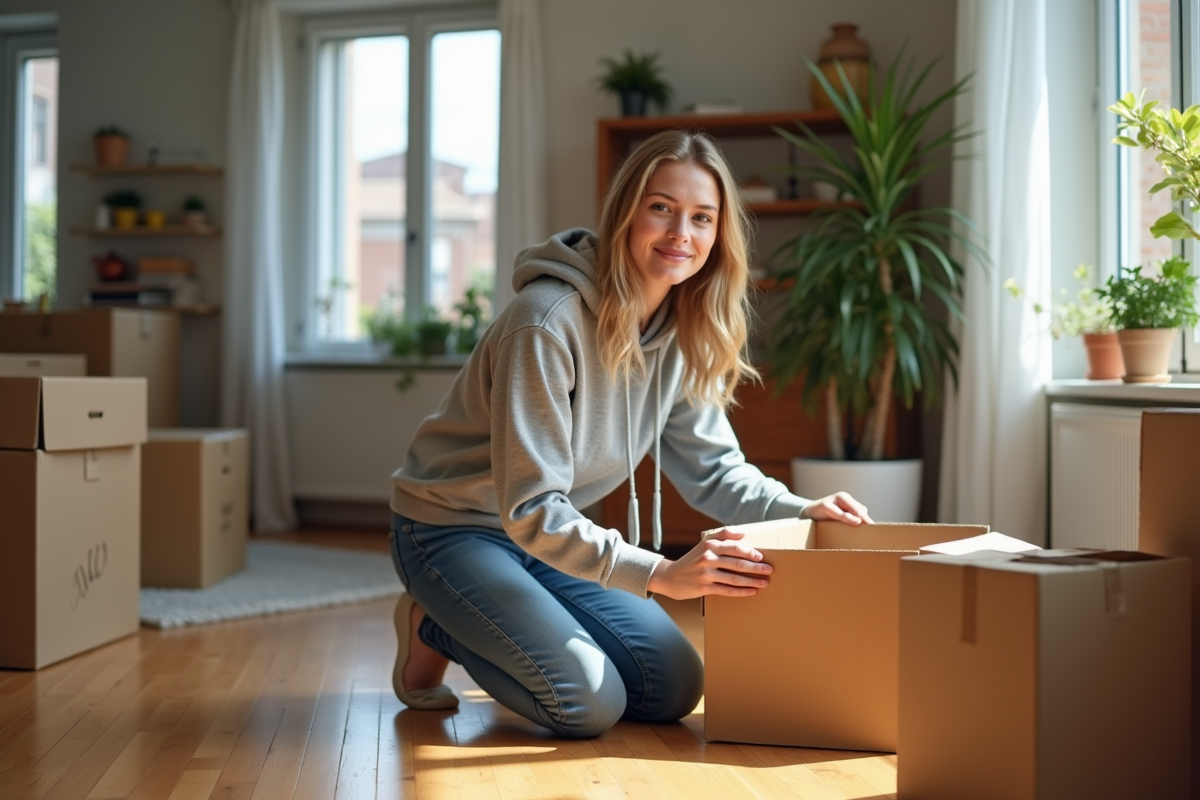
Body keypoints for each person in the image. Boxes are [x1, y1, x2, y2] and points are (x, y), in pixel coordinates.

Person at [387, 129, 873, 738]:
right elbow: (531, 506)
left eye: (702, 217)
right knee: (585, 703)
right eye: (661, 208)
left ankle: (504, 611)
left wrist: (803, 509)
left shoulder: (680, 326)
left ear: (719, 236)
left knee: (672, 685)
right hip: (451, 529)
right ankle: (436, 622)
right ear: (625, 213)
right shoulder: (544, 324)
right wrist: (660, 573)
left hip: (546, 536)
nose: (681, 235)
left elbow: (715, 470)